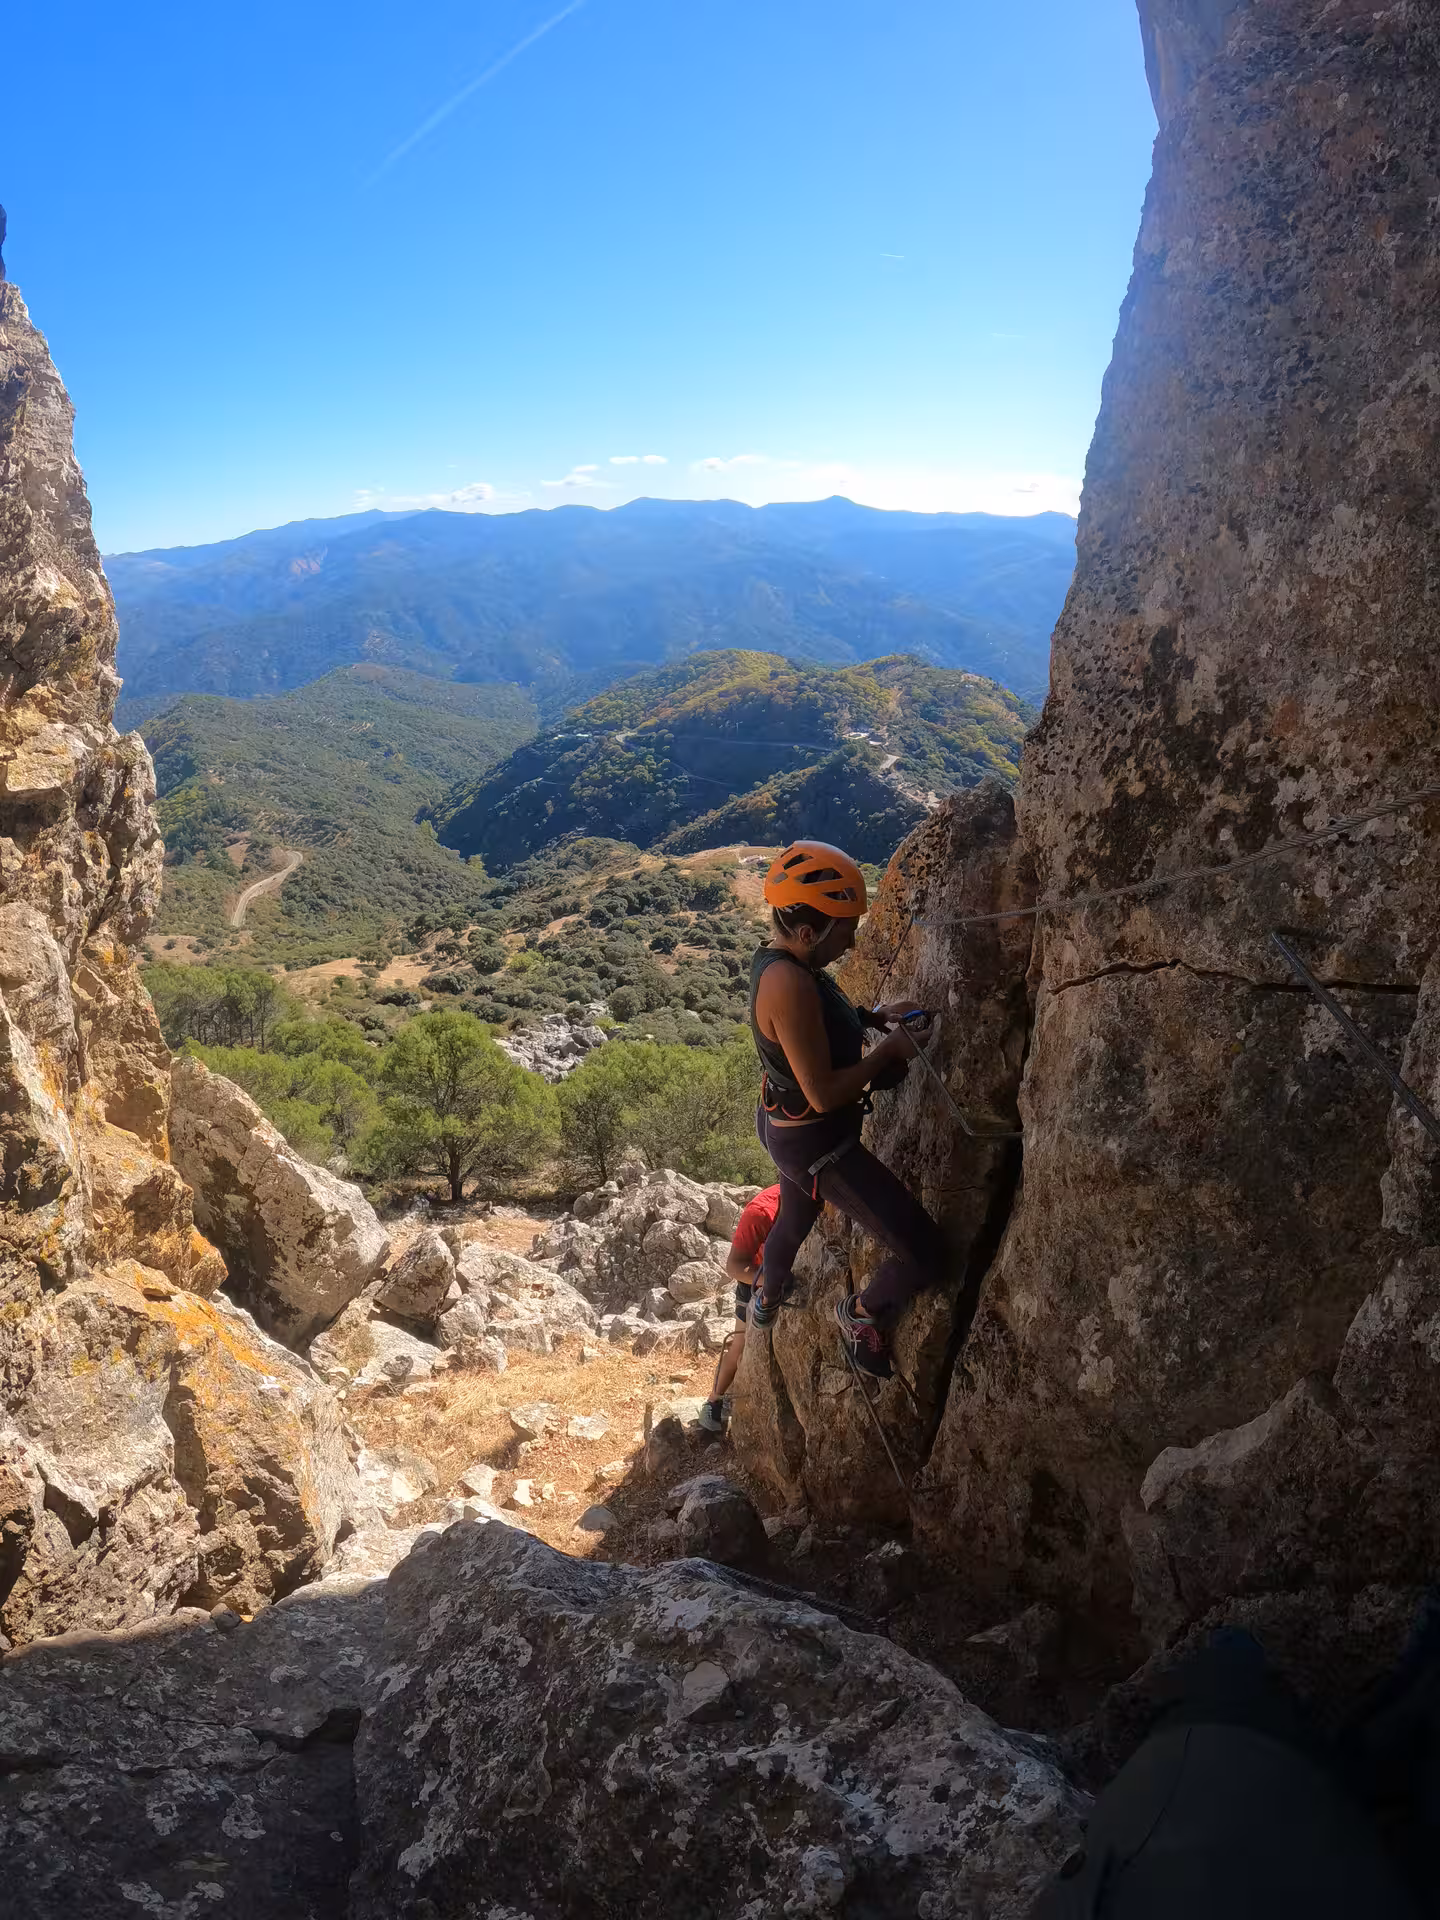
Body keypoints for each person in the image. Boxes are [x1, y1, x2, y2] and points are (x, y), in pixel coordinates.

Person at [747, 839, 945, 1378]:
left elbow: (814, 1029)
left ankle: (765, 1296)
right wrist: (891, 1051)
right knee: (928, 1254)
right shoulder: (787, 981)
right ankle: (860, 1315)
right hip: (818, 1143)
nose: (854, 940)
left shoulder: (782, 960)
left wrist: (873, 1017)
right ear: (809, 932)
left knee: (795, 1215)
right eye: (845, 929)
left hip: (785, 1129)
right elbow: (825, 1094)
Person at [699, 1182, 781, 1434]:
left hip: (783, 1274)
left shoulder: (818, 1195)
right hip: (755, 1278)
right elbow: (734, 1266)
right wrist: (772, 1282)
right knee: (741, 1342)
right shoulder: (762, 1210)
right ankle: (714, 1400)